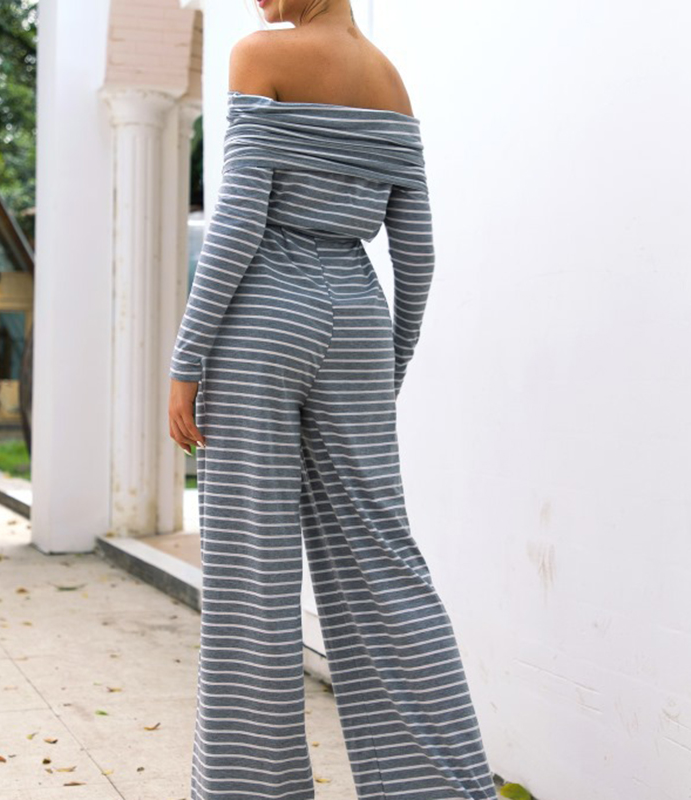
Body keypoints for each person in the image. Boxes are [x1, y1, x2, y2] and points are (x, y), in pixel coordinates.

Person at [168, 1, 498, 798]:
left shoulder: (259, 56)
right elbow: (417, 253)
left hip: (263, 320)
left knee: (254, 574)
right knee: (384, 565)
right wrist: (387, 367)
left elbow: (238, 221)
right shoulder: (390, 82)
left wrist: (187, 358)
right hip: (357, 316)